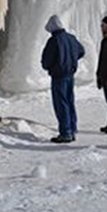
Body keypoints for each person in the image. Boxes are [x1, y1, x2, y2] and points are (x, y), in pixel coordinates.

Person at [41, 15, 85, 143]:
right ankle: (72, 128)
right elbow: (81, 51)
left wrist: (50, 66)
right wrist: (71, 59)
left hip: (58, 76)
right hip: (70, 75)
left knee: (61, 104)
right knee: (70, 101)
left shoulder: (54, 40)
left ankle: (65, 133)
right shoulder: (71, 38)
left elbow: (46, 60)